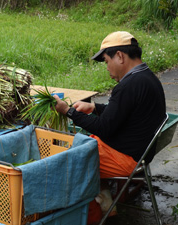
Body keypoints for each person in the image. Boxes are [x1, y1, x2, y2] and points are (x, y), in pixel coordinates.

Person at [54, 31, 166, 216]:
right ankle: (105, 200)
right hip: (140, 154)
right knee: (86, 142)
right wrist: (94, 107)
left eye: (106, 61)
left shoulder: (128, 86)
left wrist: (68, 111)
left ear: (120, 56)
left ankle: (87, 214)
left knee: (68, 158)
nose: (107, 68)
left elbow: (104, 127)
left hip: (126, 159)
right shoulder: (147, 78)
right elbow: (122, 113)